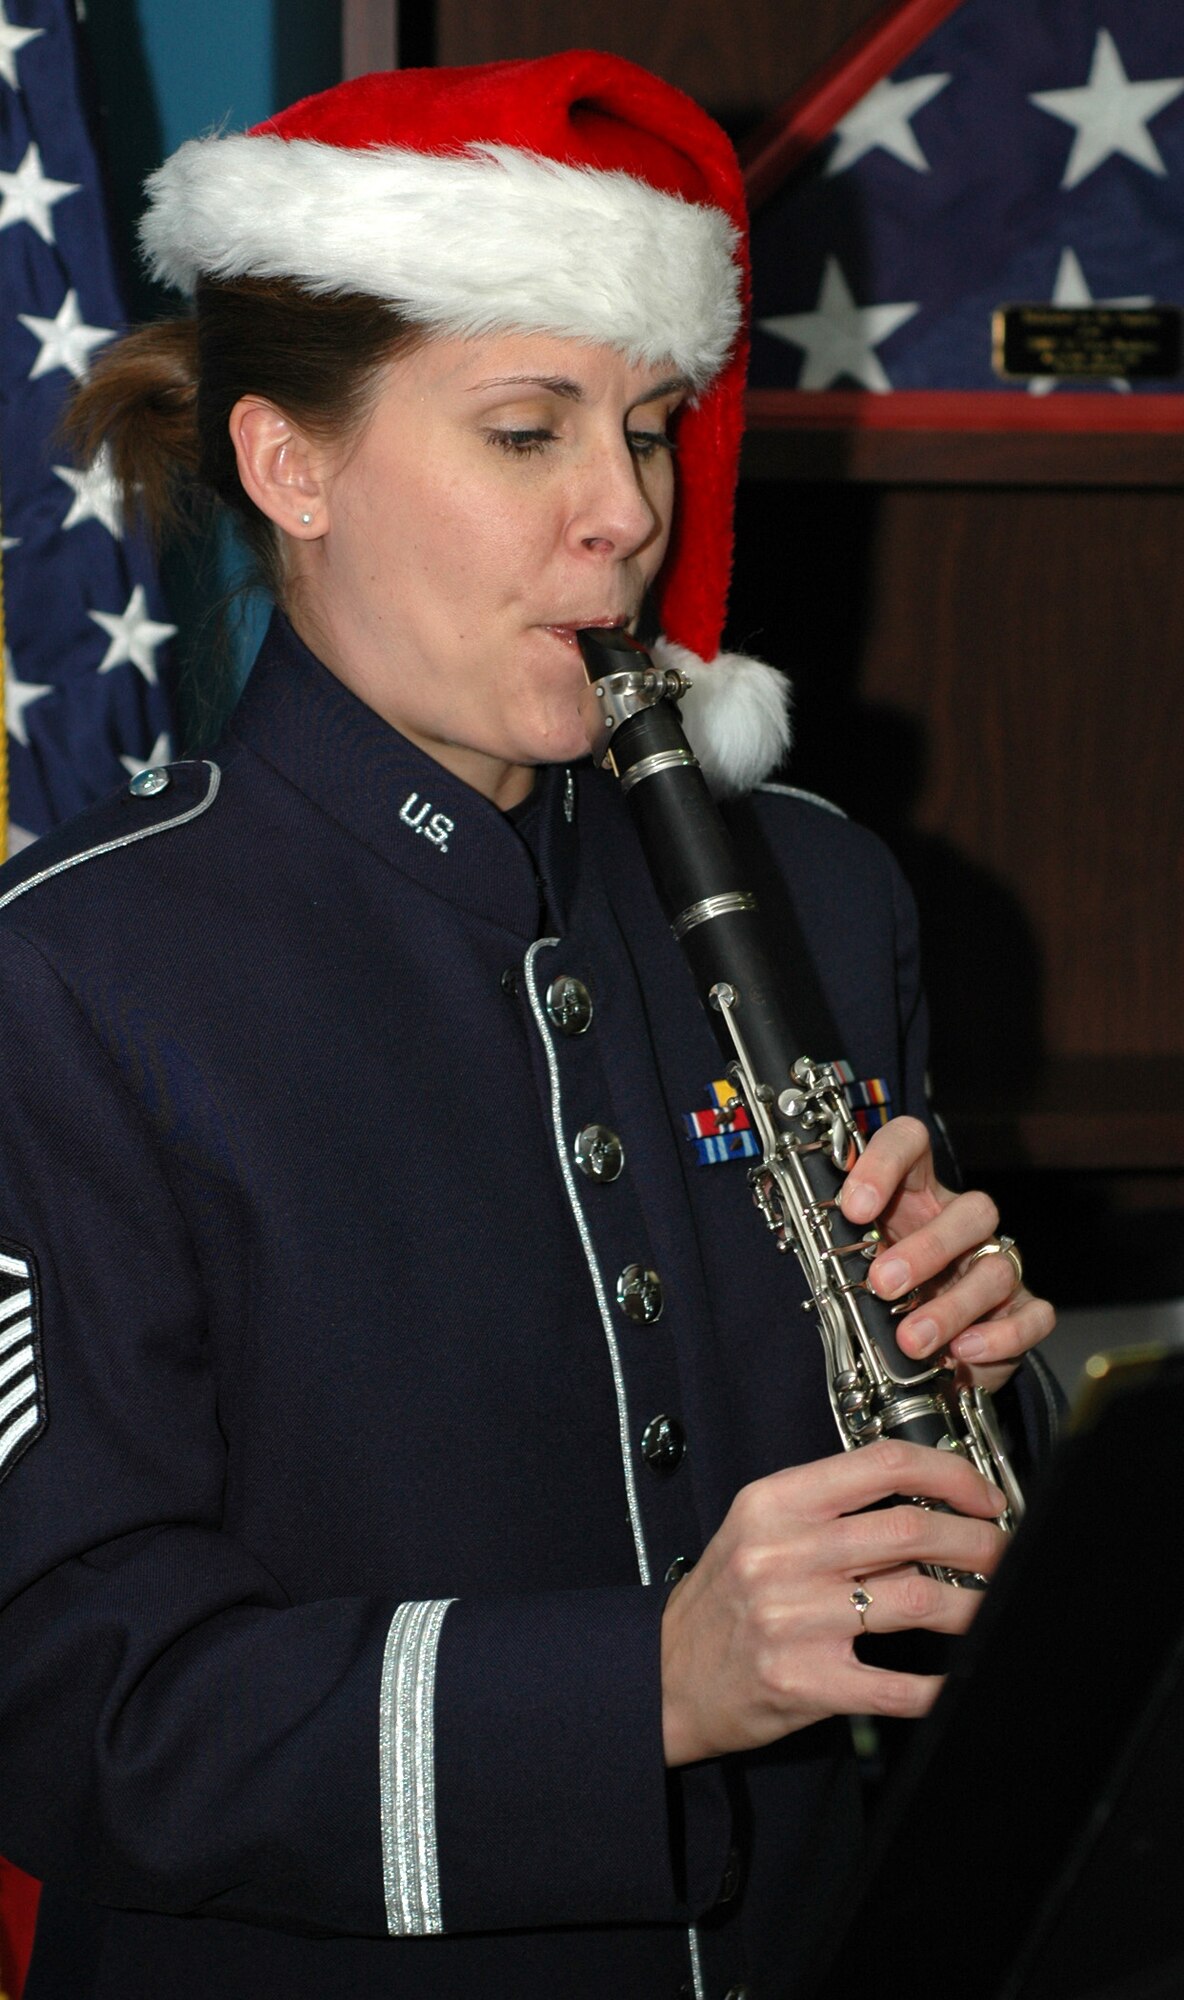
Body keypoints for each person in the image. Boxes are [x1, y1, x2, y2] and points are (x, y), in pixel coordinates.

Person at [0, 51, 1059, 2000]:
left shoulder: (818, 895)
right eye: (524, 430)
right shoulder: (67, 982)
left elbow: (923, 1592)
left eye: (648, 429)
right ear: (286, 467)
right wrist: (641, 1686)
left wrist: (993, 1415)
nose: (624, 517)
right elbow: (73, 1701)